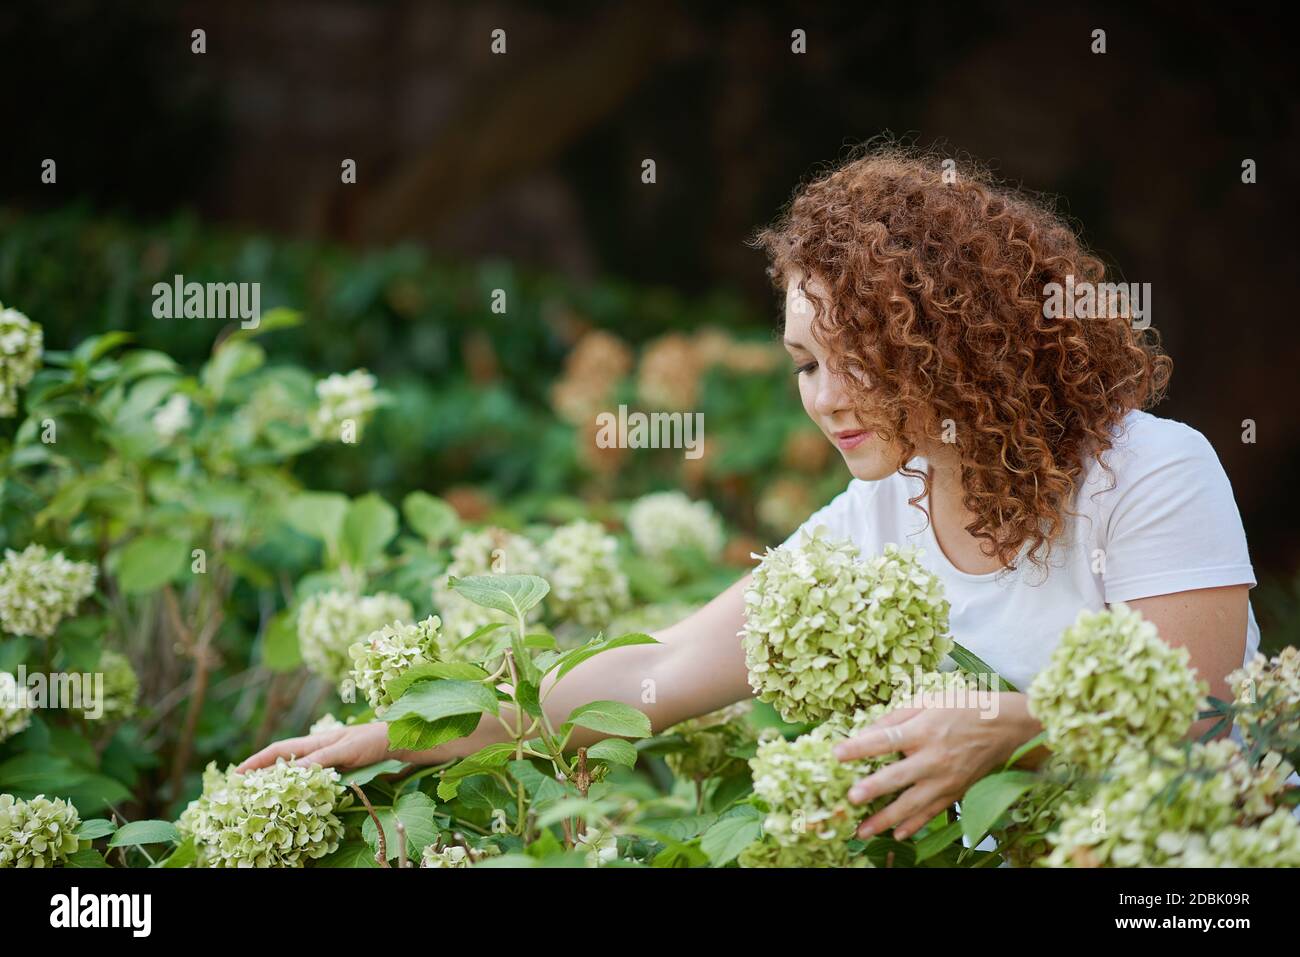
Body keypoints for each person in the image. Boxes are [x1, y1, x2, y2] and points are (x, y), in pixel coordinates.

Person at [239, 146, 1259, 846]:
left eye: (856, 358)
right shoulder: (875, 517)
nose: (825, 399)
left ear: (953, 345)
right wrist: (394, 735)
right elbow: (661, 668)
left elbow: (1196, 708)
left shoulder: (1149, 472)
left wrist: (1006, 726)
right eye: (804, 363)